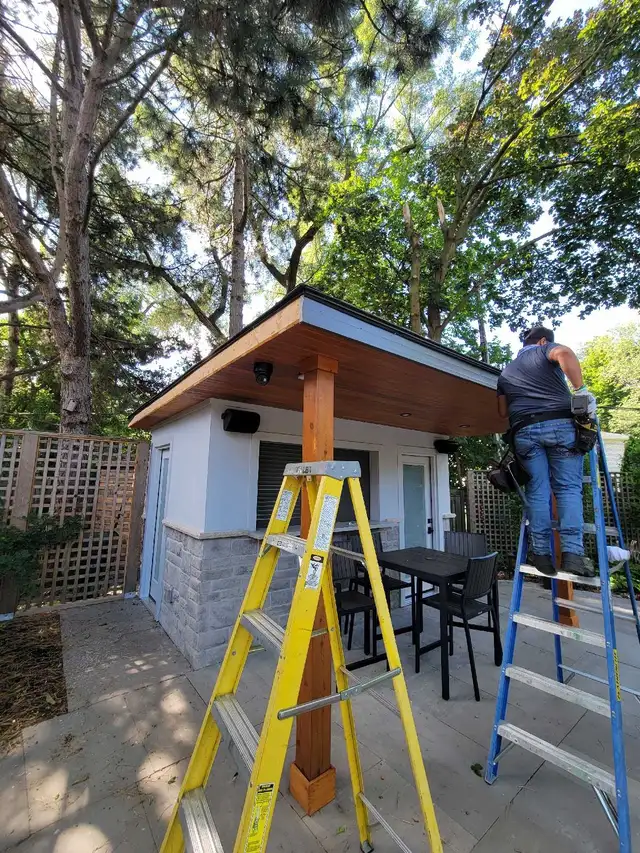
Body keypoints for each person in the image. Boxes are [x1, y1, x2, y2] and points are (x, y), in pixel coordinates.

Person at [496, 326, 596, 577]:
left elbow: (502, 412)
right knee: (567, 488)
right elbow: (564, 353)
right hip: (560, 425)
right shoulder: (544, 351)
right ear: (542, 341)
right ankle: (573, 554)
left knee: (537, 491)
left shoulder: (506, 372)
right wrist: (580, 391)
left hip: (524, 432)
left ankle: (541, 553)